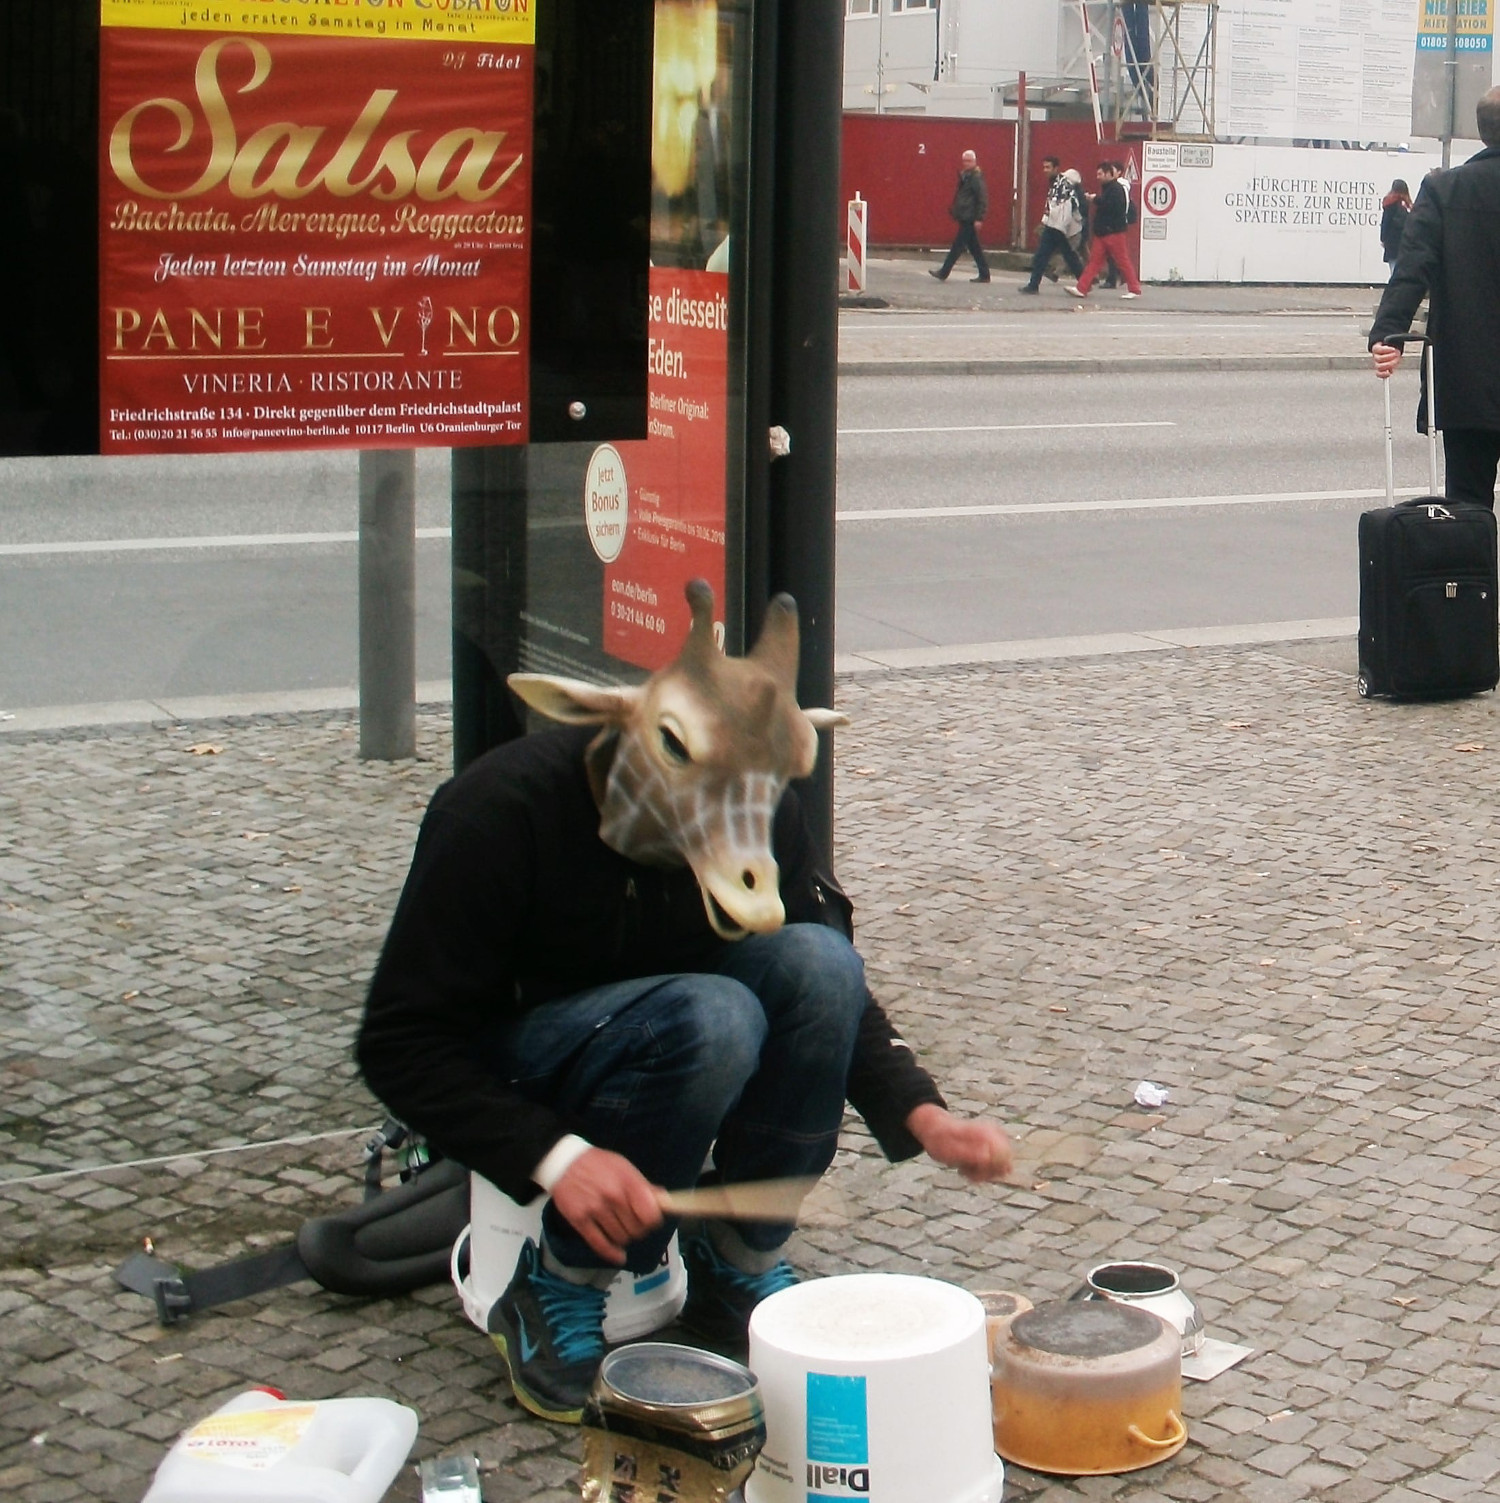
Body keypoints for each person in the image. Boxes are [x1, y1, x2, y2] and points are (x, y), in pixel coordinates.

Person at [357, 586, 1014, 1425]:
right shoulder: (498, 811)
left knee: (816, 960)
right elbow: (399, 1043)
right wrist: (557, 1157)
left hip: (674, 1033)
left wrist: (924, 1115)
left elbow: (829, 975)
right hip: (534, 1058)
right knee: (715, 1014)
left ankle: (740, 1259)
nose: (745, 818)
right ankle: (559, 1282)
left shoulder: (754, 803)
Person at [1370, 88, 1500, 509]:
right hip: (1471, 382)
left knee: (1468, 503)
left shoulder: (1444, 190)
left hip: (1467, 382)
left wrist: (1388, 335)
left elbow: (1411, 271)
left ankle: (1474, 576)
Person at [1069, 161, 1142, 299]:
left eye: (1100, 174)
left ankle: (1135, 288)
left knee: (1122, 260)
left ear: (1109, 174)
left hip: (1113, 232)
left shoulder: (1116, 189)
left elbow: (1112, 207)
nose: (1098, 177)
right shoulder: (1109, 188)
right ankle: (1082, 288)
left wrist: (1095, 199)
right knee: (1095, 262)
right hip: (1104, 232)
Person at [1020, 160, 1085, 293]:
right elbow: (1051, 205)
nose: (1045, 170)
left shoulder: (1062, 185)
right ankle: (1033, 285)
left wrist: (1055, 225)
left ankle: (1084, 282)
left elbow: (1064, 207)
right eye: (1044, 167)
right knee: (1055, 255)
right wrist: (1045, 221)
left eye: (1048, 167)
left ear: (1056, 168)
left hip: (1059, 226)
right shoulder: (1057, 183)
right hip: (1056, 225)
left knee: (1062, 255)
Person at [930, 148, 990, 283]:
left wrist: (979, 218)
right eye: (964, 161)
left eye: (969, 161)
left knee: (957, 246)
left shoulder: (975, 177)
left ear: (974, 161)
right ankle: (985, 274)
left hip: (970, 217)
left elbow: (982, 198)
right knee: (975, 248)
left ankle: (944, 272)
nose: (966, 163)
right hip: (965, 216)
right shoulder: (966, 176)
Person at [1379, 178, 1412, 276]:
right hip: (1406, 242)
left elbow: (1385, 223)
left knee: (1394, 271)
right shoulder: (1407, 204)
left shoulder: (1389, 203)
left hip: (1392, 242)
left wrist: (1383, 239)